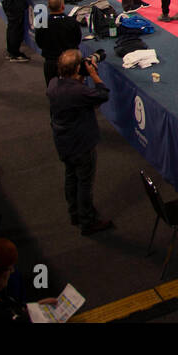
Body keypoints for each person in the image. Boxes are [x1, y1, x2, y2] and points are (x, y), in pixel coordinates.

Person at [47, 49, 114, 235]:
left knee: (70, 178)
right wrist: (94, 75)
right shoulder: (78, 91)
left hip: (63, 141)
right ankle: (88, 221)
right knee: (85, 183)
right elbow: (103, 94)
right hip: (82, 143)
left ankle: (74, 213)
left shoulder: (53, 84)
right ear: (78, 68)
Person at [35, 0, 83, 87]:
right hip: (70, 64)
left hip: (50, 62)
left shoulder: (42, 23)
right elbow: (77, 40)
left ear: (48, 7)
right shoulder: (72, 22)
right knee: (71, 89)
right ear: (63, 7)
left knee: (52, 89)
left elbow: (39, 41)